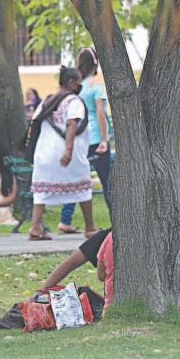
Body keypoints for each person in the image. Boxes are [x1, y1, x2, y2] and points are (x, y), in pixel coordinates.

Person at [27, 66, 97, 241]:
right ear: (71, 82)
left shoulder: (46, 101)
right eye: (78, 82)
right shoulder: (74, 101)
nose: (80, 85)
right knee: (83, 187)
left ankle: (35, 227)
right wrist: (68, 151)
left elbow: (34, 124)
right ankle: (89, 227)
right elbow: (71, 124)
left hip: (44, 154)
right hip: (65, 154)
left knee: (41, 192)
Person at [59, 48, 113, 233]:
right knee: (107, 181)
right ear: (95, 64)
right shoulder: (96, 85)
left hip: (79, 138)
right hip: (96, 138)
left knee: (76, 177)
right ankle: (116, 220)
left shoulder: (75, 86)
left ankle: (65, 219)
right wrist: (105, 139)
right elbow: (100, 113)